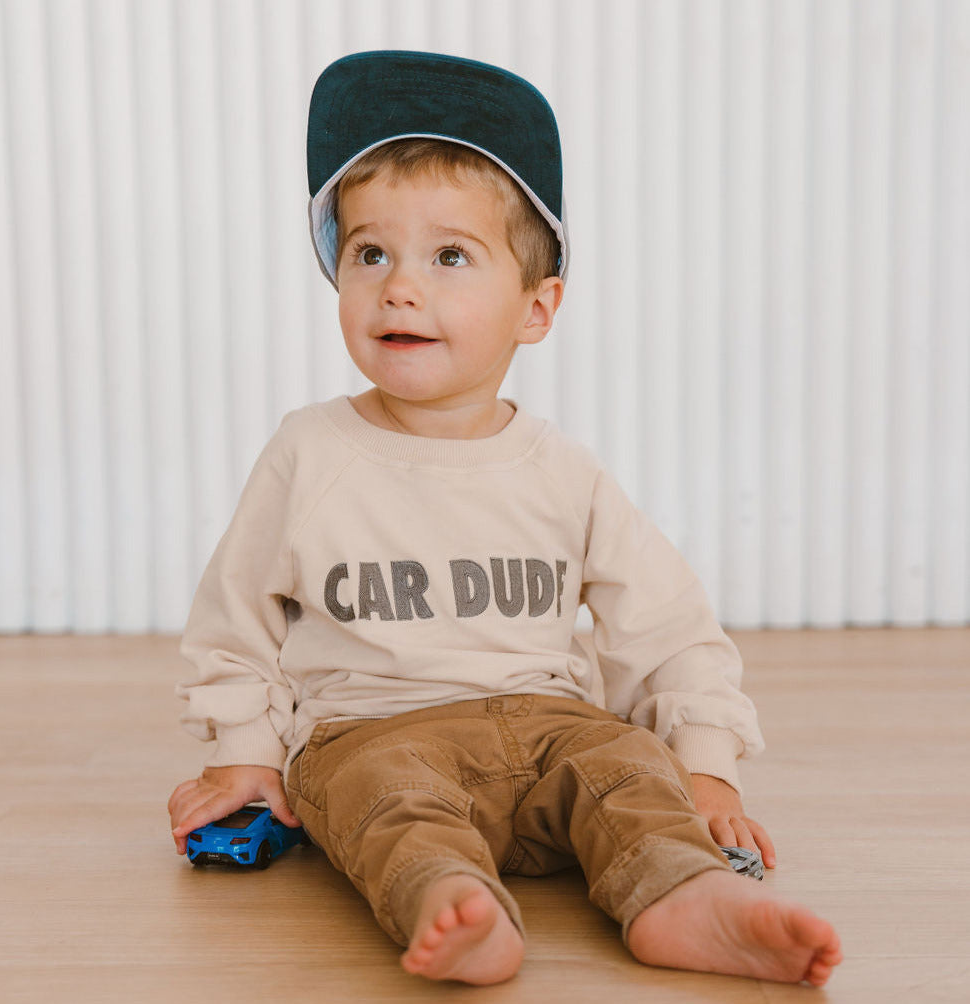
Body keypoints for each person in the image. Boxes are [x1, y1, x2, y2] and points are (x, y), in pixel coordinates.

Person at [168, 50, 842, 987]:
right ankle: (456, 903)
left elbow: (667, 624)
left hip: (551, 722)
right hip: (374, 729)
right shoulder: (309, 454)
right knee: (383, 804)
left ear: (537, 307)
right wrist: (248, 755)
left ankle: (682, 894)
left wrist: (706, 761)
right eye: (371, 252)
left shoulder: (562, 469)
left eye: (450, 256)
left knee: (627, 774)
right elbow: (233, 621)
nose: (400, 285)